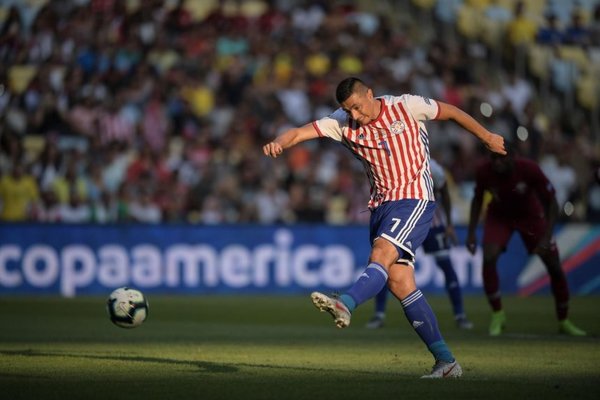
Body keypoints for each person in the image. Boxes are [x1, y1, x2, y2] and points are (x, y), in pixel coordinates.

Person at [263, 77, 505, 379]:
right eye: (347, 110)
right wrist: (279, 143)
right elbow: (300, 132)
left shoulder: (406, 106)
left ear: (370, 94)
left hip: (414, 197)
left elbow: (452, 111)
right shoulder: (342, 123)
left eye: (356, 106)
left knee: (381, 253)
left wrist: (486, 137)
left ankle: (346, 302)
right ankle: (447, 362)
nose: (354, 115)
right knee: (399, 282)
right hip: (381, 206)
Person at [466, 145, 586, 337]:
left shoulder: (529, 169)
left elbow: (552, 202)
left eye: (501, 158)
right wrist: (471, 233)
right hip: (500, 216)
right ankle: (498, 315)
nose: (496, 163)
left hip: (530, 216)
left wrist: (547, 236)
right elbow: (477, 199)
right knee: (489, 257)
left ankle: (564, 320)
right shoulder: (484, 171)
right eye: (493, 158)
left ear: (513, 157)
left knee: (554, 265)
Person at [366, 158, 473, 330]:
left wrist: (450, 224)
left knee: (446, 267)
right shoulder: (396, 160)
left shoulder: (433, 167)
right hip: (402, 224)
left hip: (431, 223)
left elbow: (444, 192)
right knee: (385, 265)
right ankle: (379, 315)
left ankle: (460, 315)